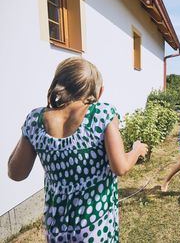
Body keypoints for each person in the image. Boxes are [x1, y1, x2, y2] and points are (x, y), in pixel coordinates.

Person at [8, 57, 148, 242]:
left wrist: (28, 129)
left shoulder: (36, 119)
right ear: (99, 91)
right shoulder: (101, 114)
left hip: (56, 226)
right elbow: (120, 167)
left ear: (59, 84)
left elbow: (16, 173)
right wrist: (136, 150)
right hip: (94, 225)